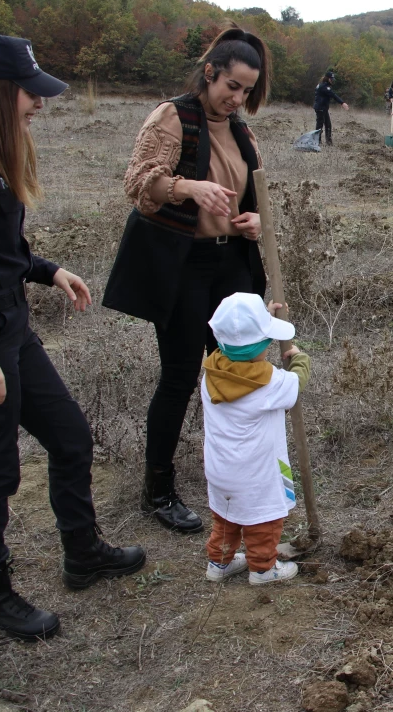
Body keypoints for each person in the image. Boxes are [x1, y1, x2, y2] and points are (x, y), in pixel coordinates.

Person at [0, 34, 146, 641]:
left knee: (70, 436)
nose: (38, 104)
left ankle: (83, 553)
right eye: (29, 93)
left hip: (11, 333)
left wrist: (46, 270)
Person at [103, 28, 272, 534]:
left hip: (233, 265)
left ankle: (236, 471)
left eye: (246, 90)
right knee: (179, 376)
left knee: (238, 368)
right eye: (232, 86)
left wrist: (254, 221)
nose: (238, 98)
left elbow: (255, 196)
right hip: (184, 267)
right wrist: (187, 187)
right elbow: (138, 183)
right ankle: (158, 489)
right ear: (210, 73)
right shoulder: (172, 117)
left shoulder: (242, 132)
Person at [200, 292, 311, 585]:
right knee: (263, 520)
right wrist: (300, 360)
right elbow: (295, 384)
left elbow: (238, 338)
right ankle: (263, 569)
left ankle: (219, 563)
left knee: (226, 519)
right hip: (257, 475)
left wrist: (261, 316)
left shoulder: (211, 373)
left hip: (220, 470)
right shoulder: (269, 382)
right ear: (264, 344)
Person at [313, 70, 349, 146]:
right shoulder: (324, 87)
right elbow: (333, 95)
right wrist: (342, 103)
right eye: (331, 79)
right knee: (319, 125)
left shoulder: (321, 85)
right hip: (320, 108)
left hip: (323, 108)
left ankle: (328, 142)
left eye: (333, 79)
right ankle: (317, 141)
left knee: (328, 125)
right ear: (327, 78)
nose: (332, 81)